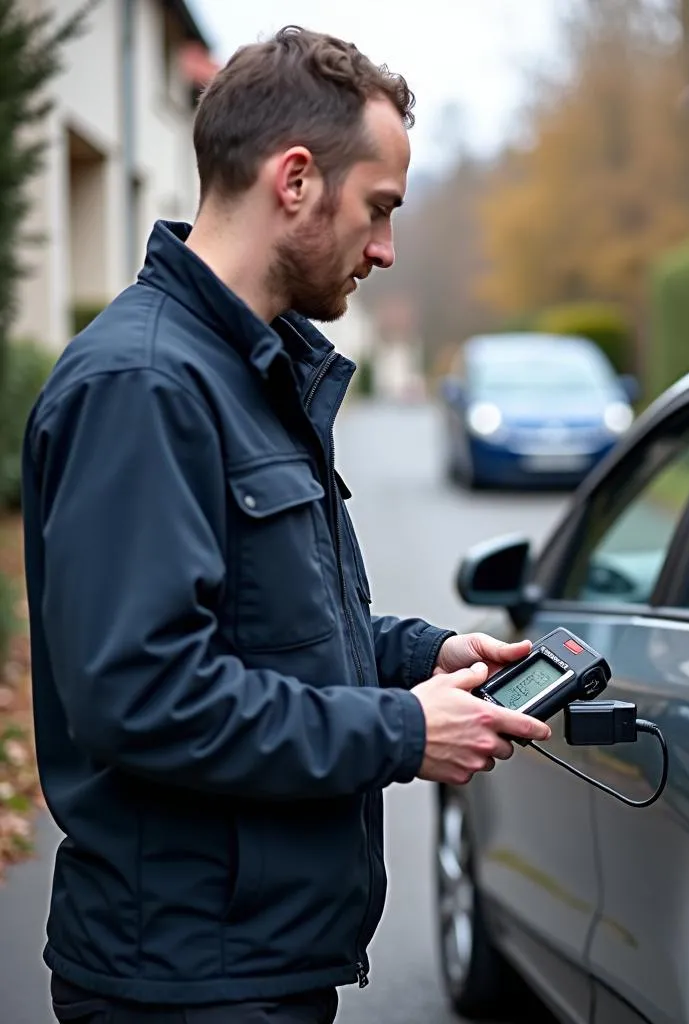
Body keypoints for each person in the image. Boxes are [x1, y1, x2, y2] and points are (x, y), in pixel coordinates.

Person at [20, 25, 551, 1024]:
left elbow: (259, 625)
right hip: (181, 982)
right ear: (295, 179)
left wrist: (418, 656)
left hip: (250, 964)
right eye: (380, 210)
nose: (386, 250)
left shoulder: (248, 369)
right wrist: (401, 730)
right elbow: (145, 693)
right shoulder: (144, 384)